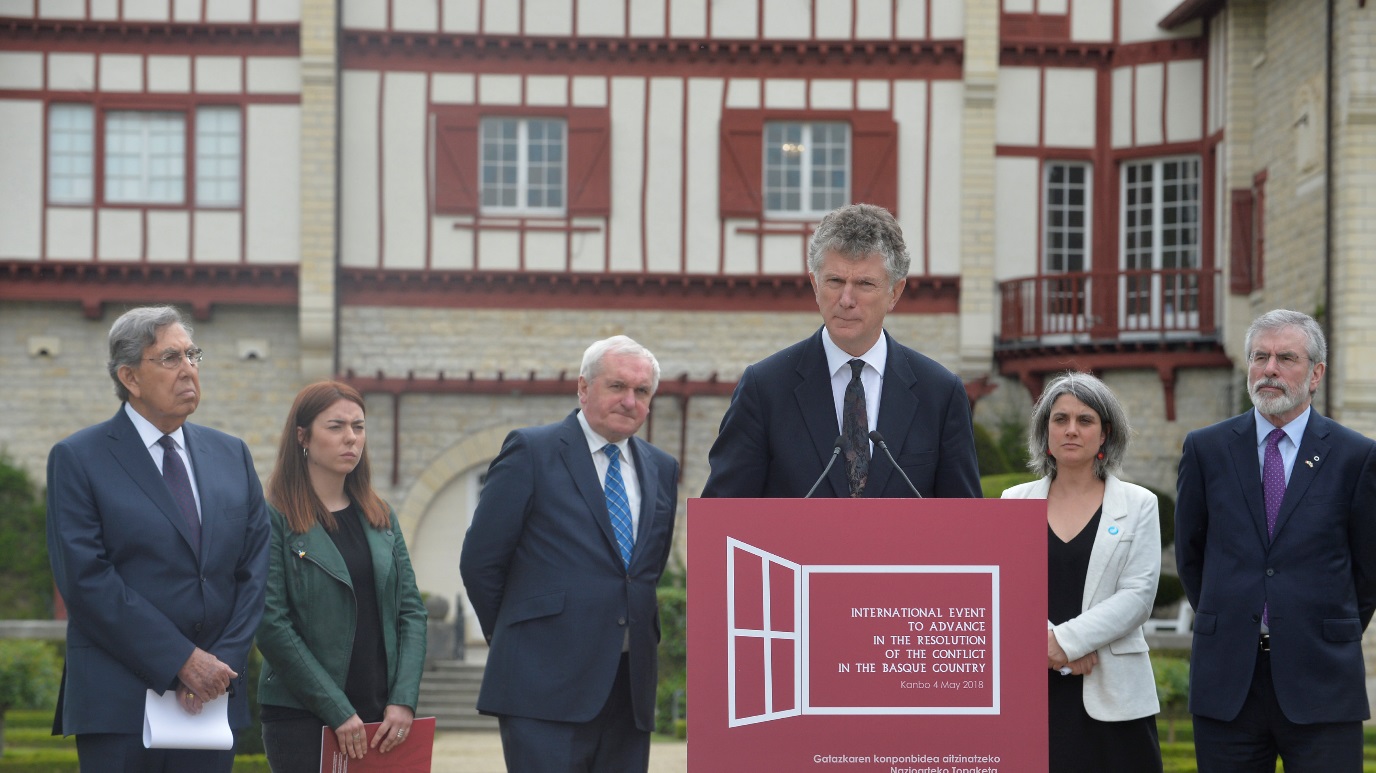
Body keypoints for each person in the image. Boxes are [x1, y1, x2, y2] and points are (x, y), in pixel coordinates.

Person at [45, 305, 270, 772]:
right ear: (129, 376)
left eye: (192, 354)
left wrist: (217, 667)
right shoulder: (78, 458)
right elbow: (87, 581)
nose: (188, 368)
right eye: (170, 358)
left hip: (212, 704)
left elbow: (254, 572)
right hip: (119, 705)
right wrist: (182, 661)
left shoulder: (232, 455)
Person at [459, 335, 679, 772]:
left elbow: (644, 572)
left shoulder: (662, 468)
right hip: (542, 686)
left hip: (628, 689)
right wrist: (518, 640)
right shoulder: (531, 451)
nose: (630, 401)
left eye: (642, 391)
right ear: (583, 388)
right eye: (617, 386)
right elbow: (481, 561)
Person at [1176, 309, 1376, 773]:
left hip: (1322, 680)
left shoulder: (1356, 456)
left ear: (1315, 373)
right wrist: (1233, 620)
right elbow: (1190, 556)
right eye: (1259, 357)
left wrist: (1321, 629)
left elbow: (1368, 570)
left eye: (1286, 358)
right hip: (1228, 683)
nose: (1269, 369)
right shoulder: (1206, 449)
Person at [701, 202, 980, 499]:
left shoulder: (939, 394)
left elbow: (965, 519)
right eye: (835, 281)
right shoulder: (764, 389)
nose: (846, 299)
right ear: (815, 285)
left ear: (895, 293)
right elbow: (722, 513)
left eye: (864, 283)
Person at [255, 381, 428, 772]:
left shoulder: (380, 515)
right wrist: (337, 710)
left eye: (358, 426)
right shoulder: (273, 517)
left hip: (383, 717)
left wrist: (403, 700)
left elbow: (412, 612)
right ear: (303, 436)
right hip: (302, 717)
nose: (351, 437)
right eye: (336, 427)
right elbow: (271, 623)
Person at [1002, 372, 1162, 772]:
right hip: (1032, 690)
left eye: (1085, 420)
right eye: (1060, 419)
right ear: (1046, 430)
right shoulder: (1012, 502)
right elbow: (1004, 593)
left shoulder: (1140, 504)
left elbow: (1137, 597)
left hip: (1115, 695)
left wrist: (1064, 644)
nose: (1071, 429)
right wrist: (1048, 649)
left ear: (1105, 434)